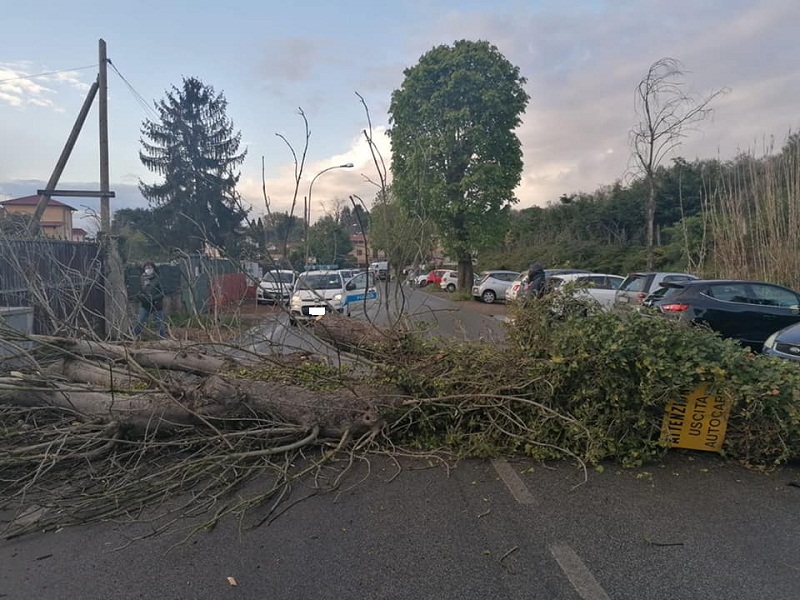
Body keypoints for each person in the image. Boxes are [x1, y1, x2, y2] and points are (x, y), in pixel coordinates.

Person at [133, 261, 166, 339]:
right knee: (139, 322)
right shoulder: (142, 279)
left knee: (159, 323)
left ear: (153, 268)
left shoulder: (157, 279)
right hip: (145, 305)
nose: (148, 269)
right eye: (146, 267)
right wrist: (141, 297)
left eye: (150, 267)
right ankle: (133, 337)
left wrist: (153, 298)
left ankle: (163, 339)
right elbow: (139, 292)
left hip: (156, 305)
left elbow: (162, 294)